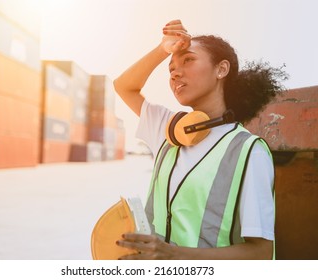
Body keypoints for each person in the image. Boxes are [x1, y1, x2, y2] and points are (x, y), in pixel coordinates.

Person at [113, 19, 287, 260]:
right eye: (171, 68)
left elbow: (261, 253)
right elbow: (123, 86)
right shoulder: (169, 128)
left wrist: (173, 255)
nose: (174, 72)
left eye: (188, 60)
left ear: (221, 69)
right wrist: (164, 49)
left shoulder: (248, 150)